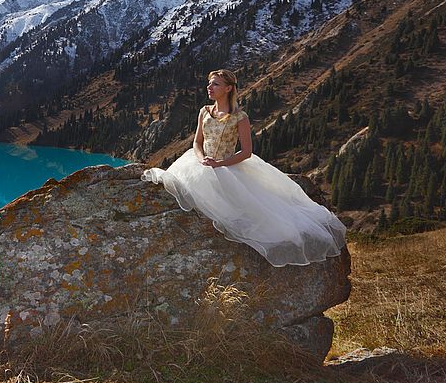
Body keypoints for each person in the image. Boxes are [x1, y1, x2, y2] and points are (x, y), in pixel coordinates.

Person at [141, 69, 347, 267]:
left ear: (229, 88)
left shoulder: (240, 117)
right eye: (209, 83)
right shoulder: (204, 111)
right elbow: (197, 142)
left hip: (226, 165)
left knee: (245, 211)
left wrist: (219, 164)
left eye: (215, 84)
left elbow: (246, 152)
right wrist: (202, 158)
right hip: (199, 161)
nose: (209, 87)